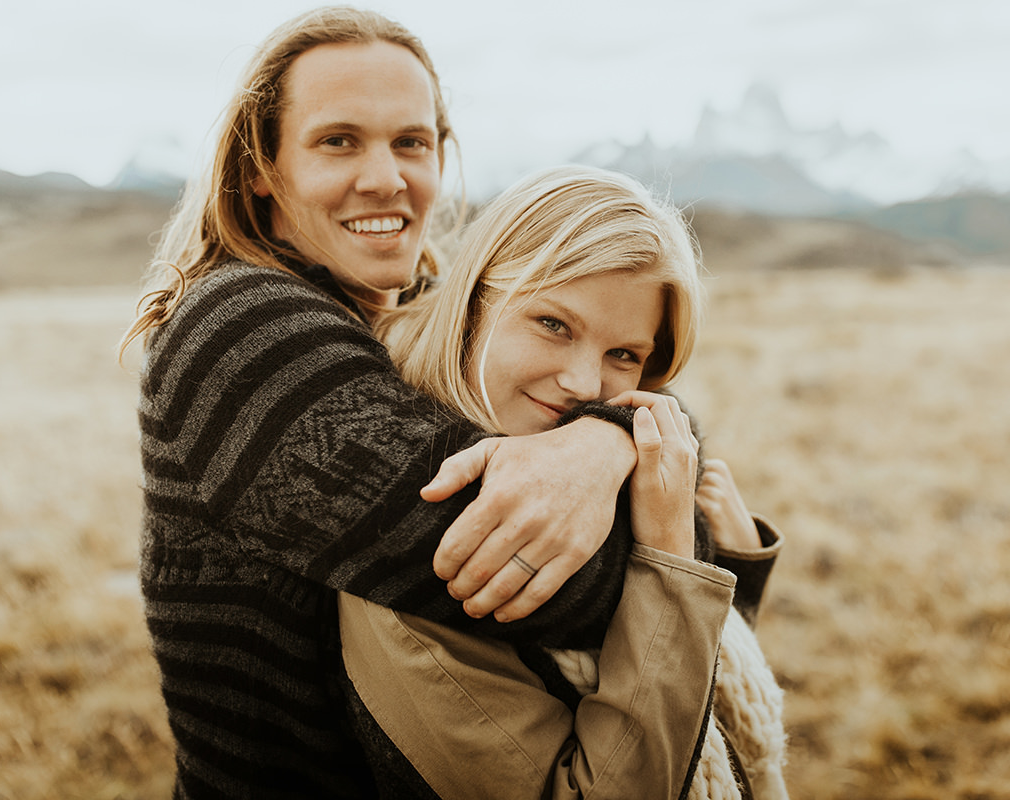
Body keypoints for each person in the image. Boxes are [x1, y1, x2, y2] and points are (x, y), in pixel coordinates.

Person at [120, 9, 673, 799]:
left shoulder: (416, 312)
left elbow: (645, 411)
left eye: (411, 142)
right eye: (338, 140)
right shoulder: (239, 328)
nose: (386, 178)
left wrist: (606, 442)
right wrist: (642, 474)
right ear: (259, 168)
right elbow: (564, 588)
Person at [339, 166, 789, 799]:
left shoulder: (620, 483)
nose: (583, 384)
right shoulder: (429, 525)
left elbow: (694, 711)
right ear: (474, 303)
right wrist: (670, 553)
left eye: (622, 355)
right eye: (554, 324)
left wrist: (730, 569)